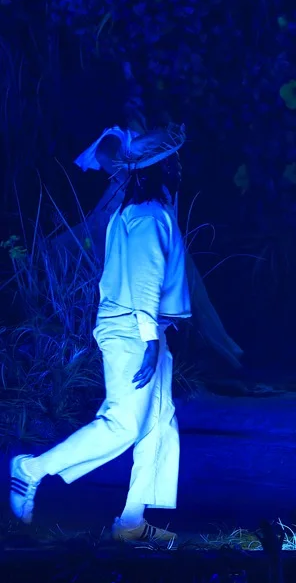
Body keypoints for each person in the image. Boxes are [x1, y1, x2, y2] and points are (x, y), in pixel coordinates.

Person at [10, 125, 191, 544]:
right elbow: (144, 282)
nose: (179, 166)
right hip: (133, 329)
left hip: (146, 328)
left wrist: (156, 336)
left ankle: (131, 522)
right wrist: (149, 340)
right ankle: (30, 470)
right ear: (158, 167)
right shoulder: (146, 217)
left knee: (159, 426)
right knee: (124, 424)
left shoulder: (143, 212)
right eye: (173, 159)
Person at [69, 62, 242, 369]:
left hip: (154, 207)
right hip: (129, 211)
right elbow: (105, 156)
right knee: (146, 278)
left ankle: (216, 351)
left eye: (139, 96)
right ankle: (199, 352)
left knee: (183, 283)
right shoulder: (121, 137)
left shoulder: (151, 136)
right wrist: (128, 176)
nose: (136, 102)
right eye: (131, 95)